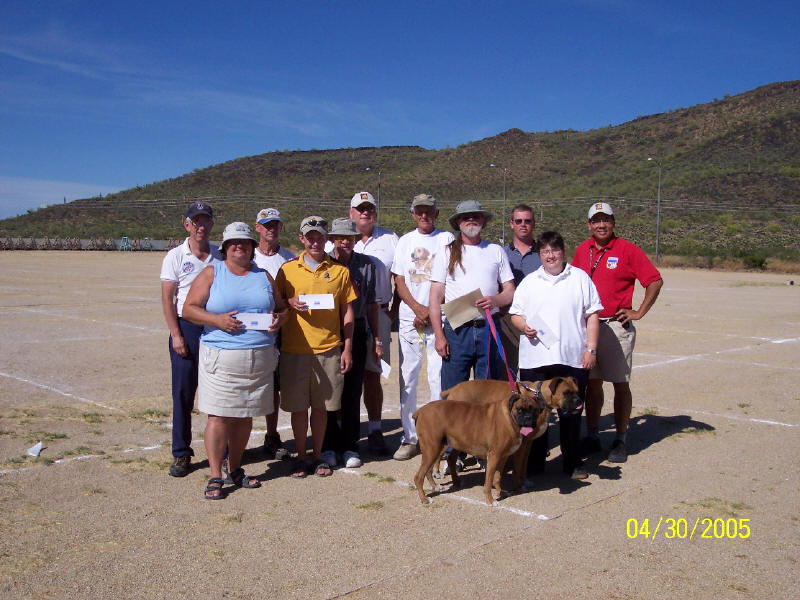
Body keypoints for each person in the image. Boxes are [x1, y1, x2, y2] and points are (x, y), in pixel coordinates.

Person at [182, 222, 288, 500]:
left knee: (244, 416)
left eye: (244, 242)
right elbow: (189, 309)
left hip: (259, 358)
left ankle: (236, 468)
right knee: (219, 416)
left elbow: (282, 308)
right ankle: (215, 475)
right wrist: (216, 320)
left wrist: (279, 320)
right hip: (221, 357)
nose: (239, 246)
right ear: (225, 247)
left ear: (252, 247)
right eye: (233, 242)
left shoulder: (264, 275)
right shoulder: (212, 273)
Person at [572, 202, 663, 463]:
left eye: (606, 220)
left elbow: (654, 281)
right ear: (589, 224)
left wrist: (639, 312)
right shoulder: (582, 250)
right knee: (592, 383)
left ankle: (621, 439)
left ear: (613, 223)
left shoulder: (628, 250)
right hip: (588, 327)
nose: (601, 225)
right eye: (596, 220)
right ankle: (592, 436)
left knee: (620, 384)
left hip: (615, 325)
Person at [510, 231, 603, 480]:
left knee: (570, 414)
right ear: (540, 255)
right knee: (536, 413)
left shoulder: (580, 278)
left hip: (572, 359)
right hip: (536, 360)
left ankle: (572, 463)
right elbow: (515, 314)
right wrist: (524, 326)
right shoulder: (530, 281)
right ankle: (534, 464)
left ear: (563, 251)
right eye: (545, 252)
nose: (550, 256)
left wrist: (591, 349)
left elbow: (592, 315)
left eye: (554, 250)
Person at [275, 216, 357, 478]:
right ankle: (301, 457)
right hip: (295, 350)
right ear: (302, 238)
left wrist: (347, 348)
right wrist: (289, 301)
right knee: (299, 409)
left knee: (322, 409)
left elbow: (348, 312)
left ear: (326, 239)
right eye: (309, 237)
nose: (314, 242)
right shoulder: (287, 270)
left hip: (328, 349)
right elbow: (276, 304)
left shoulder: (340, 272)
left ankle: (318, 456)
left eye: (319, 237)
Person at [159, 201, 222, 478]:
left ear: (211, 224)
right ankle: (181, 452)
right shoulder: (175, 256)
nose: (201, 226)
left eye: (205, 221)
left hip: (215, 328)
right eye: (196, 221)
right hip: (187, 329)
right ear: (187, 225)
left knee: (219, 394)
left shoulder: (220, 255)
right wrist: (176, 334)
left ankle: (221, 452)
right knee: (183, 394)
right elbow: (168, 298)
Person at [390, 193, 454, 460]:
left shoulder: (447, 239)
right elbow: (399, 280)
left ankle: (438, 437)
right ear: (413, 213)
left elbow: (452, 277)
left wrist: (430, 310)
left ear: (436, 213)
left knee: (438, 378)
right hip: (410, 320)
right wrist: (418, 308)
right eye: (419, 211)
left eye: (429, 211)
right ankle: (409, 437)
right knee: (408, 378)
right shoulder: (405, 241)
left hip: (439, 319)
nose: (424, 215)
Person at [429, 200, 515, 394]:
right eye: (465, 217)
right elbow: (435, 298)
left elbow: (510, 290)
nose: (471, 220)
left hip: (489, 329)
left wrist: (495, 300)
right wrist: (439, 336)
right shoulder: (446, 252)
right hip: (457, 331)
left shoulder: (495, 251)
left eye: (475, 216)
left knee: (487, 393)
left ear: (483, 220)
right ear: (458, 222)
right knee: (453, 393)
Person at [321, 218, 381, 469]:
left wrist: (376, 337)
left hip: (356, 330)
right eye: (340, 237)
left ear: (356, 239)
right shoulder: (323, 264)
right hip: (327, 330)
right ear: (332, 239)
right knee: (327, 391)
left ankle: (350, 446)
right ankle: (328, 445)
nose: (345, 241)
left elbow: (371, 304)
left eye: (349, 237)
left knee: (352, 390)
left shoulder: (367, 265)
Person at [349, 191, 399, 455]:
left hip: (378, 312)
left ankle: (375, 429)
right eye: (360, 208)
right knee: (346, 374)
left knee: (373, 374)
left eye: (369, 208)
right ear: (351, 213)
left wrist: (394, 311)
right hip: (348, 315)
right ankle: (346, 431)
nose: (365, 212)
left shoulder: (390, 239)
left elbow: (401, 276)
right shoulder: (341, 237)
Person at [252, 207, 296, 460]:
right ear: (257, 227)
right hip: (250, 332)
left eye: (276, 224)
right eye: (266, 224)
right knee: (248, 384)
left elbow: (291, 298)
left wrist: (282, 313)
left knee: (274, 386)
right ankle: (237, 440)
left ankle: (272, 435)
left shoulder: (289, 259)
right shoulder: (248, 256)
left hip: (279, 332)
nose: (271, 229)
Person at [500, 204, 542, 374]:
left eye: (527, 221)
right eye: (518, 221)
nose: (523, 224)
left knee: (534, 376)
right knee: (506, 375)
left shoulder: (544, 254)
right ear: (511, 224)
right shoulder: (501, 253)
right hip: (507, 321)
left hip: (536, 321)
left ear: (534, 223)